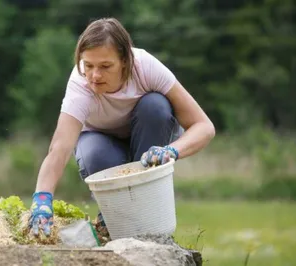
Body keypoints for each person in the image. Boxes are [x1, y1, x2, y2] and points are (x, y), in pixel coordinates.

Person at [28, 17, 215, 236]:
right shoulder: (80, 83)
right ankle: (113, 214)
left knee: (155, 106)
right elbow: (59, 149)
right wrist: (42, 200)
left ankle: (144, 210)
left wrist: (172, 151)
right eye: (88, 66)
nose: (95, 76)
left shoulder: (145, 66)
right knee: (92, 151)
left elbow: (204, 126)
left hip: (150, 140)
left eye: (106, 66)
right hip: (104, 147)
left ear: (125, 60)